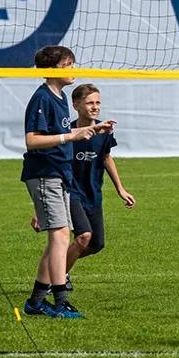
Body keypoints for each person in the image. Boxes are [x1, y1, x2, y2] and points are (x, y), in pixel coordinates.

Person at [21, 46, 112, 319]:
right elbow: (32, 140)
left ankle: (37, 302)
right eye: (68, 64)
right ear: (52, 69)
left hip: (60, 175)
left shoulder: (59, 98)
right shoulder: (42, 98)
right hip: (45, 172)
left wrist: (90, 130)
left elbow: (63, 132)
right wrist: (69, 138)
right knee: (61, 237)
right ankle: (59, 302)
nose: (73, 69)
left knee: (58, 241)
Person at [62, 83, 135, 288]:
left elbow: (106, 157)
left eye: (98, 102)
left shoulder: (104, 130)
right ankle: (56, 278)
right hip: (71, 191)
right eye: (90, 103)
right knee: (84, 236)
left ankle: (57, 267)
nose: (95, 107)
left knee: (96, 244)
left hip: (93, 192)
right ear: (76, 105)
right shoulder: (68, 132)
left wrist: (120, 189)